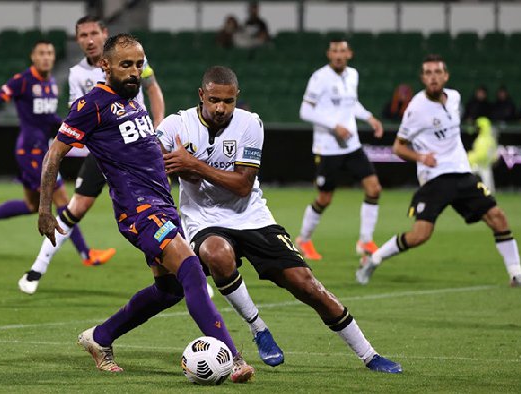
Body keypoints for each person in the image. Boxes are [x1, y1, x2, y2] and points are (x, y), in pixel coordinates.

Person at [37, 34, 255, 383]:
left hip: (163, 208)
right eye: (126, 65)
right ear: (105, 66)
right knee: (192, 270)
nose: (135, 71)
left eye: (139, 64)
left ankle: (100, 337)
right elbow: (53, 156)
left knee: (169, 291)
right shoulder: (91, 105)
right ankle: (232, 356)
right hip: (139, 212)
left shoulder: (132, 101)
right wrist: (45, 209)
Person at [157, 65, 402, 373]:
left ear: (237, 98)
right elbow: (151, 163)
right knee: (217, 254)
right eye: (215, 100)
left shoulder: (250, 124)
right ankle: (258, 327)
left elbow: (243, 185)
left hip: (253, 217)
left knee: (306, 284)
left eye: (228, 101)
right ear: (201, 95)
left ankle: (369, 354)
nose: (221, 108)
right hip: (204, 219)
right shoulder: (175, 126)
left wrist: (194, 165)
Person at [357, 55, 521, 288]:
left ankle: (516, 275)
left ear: (445, 75)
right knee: (420, 235)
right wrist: (420, 157)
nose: (433, 77)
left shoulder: (455, 98)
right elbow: (398, 147)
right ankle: (374, 258)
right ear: (422, 78)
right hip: (435, 178)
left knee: (497, 217)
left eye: (437, 72)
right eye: (428, 73)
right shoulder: (416, 109)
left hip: (462, 173)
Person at [18, 16, 164, 294]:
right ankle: (38, 266)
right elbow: (78, 116)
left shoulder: (131, 57)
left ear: (104, 34)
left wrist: (158, 126)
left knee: (161, 212)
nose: (89, 40)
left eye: (93, 33)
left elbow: (153, 89)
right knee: (76, 208)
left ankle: (189, 275)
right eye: (82, 35)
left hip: (140, 150)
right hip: (105, 153)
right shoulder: (77, 74)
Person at [0, 40, 114, 267]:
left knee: (32, 205)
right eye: (41, 53)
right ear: (33, 57)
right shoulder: (23, 81)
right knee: (62, 198)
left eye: (50, 53)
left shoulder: (52, 83)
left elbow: (48, 118)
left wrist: (69, 128)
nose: (46, 57)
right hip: (29, 151)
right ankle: (86, 254)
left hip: (40, 148)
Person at [296, 38, 384, 261]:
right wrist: (334, 126)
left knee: (374, 188)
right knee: (325, 198)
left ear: (349, 54)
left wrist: (369, 117)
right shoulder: (319, 77)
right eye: (334, 51)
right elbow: (305, 111)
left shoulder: (352, 75)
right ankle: (304, 239)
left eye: (342, 51)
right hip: (328, 148)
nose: (338, 55)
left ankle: (365, 241)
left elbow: (351, 103)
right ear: (329, 54)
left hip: (352, 146)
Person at [468, 117, 498, 193]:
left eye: (478, 128)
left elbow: (480, 155)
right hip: (486, 165)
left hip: (479, 165)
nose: (476, 129)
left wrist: (469, 157)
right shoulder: (490, 139)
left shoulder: (482, 140)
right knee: (488, 183)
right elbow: (495, 154)